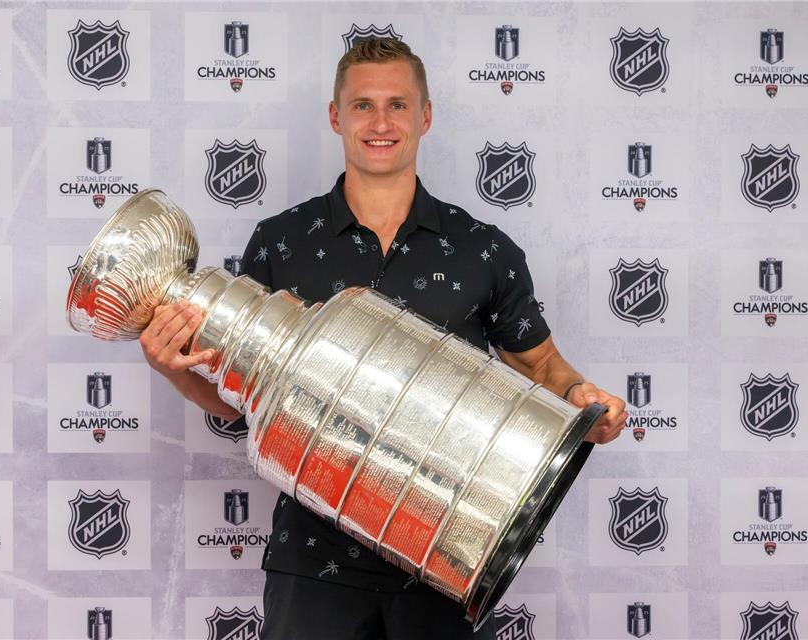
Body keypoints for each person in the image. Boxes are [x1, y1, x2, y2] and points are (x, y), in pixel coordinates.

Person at [140, 38, 628, 640]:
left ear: (425, 116)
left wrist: (581, 399)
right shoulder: (282, 240)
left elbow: (542, 365)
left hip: (445, 561)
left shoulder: (484, 248)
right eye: (363, 105)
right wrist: (175, 368)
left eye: (398, 105)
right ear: (335, 115)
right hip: (312, 564)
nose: (380, 122)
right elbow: (240, 395)